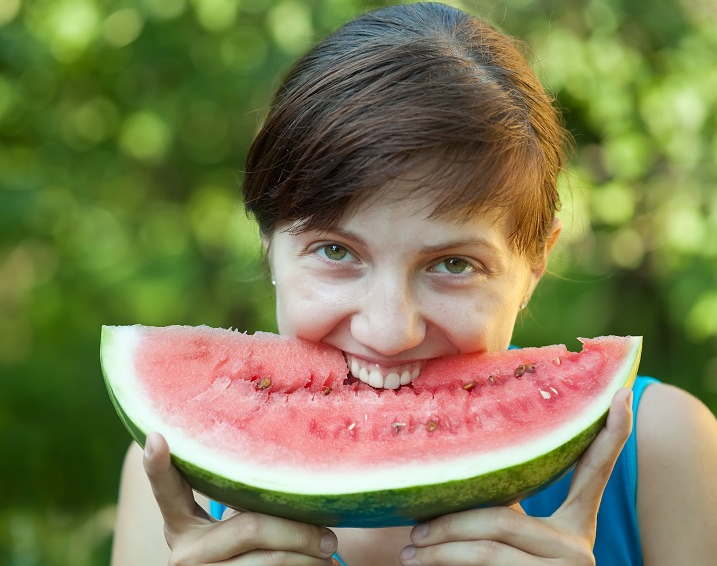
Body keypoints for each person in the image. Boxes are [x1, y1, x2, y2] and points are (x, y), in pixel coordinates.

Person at [111, 3, 717, 564]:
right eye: (335, 251)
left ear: (533, 265)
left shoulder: (665, 451)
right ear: (270, 244)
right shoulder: (167, 471)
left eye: (454, 264)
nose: (389, 331)